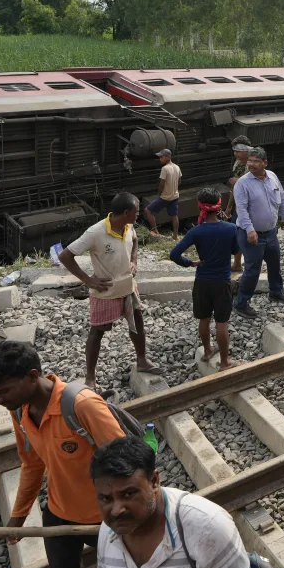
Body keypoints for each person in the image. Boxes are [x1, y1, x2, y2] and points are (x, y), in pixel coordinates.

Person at [0, 341, 126, 568]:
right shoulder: (20, 410)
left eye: (3, 391)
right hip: (59, 514)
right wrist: (18, 516)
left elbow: (127, 461)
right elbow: (33, 464)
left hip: (104, 519)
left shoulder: (82, 405)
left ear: (33, 376)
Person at [91, 437, 269, 568]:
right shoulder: (109, 530)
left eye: (128, 494)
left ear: (154, 481)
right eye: (106, 499)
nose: (116, 510)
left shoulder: (205, 526)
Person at [60, 192, 158, 388]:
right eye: (136, 212)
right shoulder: (95, 233)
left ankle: (141, 359)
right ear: (125, 212)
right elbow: (65, 256)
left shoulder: (129, 227)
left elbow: (135, 241)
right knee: (98, 330)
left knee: (137, 320)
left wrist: (133, 261)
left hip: (128, 286)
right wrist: (88, 280)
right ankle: (90, 376)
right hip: (106, 290)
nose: (138, 215)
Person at [170, 189, 239, 370]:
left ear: (200, 206)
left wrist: (190, 263)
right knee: (222, 322)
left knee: (204, 319)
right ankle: (225, 362)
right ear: (219, 205)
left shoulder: (196, 231)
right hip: (222, 281)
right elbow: (235, 250)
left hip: (202, 281)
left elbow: (174, 254)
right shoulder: (230, 228)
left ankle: (208, 350)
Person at [232, 147, 284, 319]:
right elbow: (241, 209)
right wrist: (250, 230)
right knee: (252, 269)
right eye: (250, 161)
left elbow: (282, 197)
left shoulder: (272, 176)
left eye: (256, 161)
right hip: (250, 233)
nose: (251, 164)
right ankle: (241, 303)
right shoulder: (243, 183)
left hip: (270, 232)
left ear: (265, 163)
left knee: (274, 263)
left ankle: (276, 292)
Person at [225, 135, 252, 274]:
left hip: (252, 205)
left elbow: (255, 183)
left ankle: (250, 265)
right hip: (240, 205)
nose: (235, 154)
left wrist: (239, 181)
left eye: (238, 151)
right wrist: (229, 207)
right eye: (234, 151)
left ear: (246, 151)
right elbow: (234, 188)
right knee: (238, 233)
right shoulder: (238, 164)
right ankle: (237, 264)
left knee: (250, 234)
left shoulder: (254, 163)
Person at [142, 149, 181, 240]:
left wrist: (160, 194)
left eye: (161, 157)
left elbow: (161, 184)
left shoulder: (165, 168)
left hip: (165, 197)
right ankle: (175, 236)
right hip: (175, 196)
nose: (160, 159)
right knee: (174, 216)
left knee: (147, 210)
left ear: (168, 157)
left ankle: (155, 232)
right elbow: (179, 181)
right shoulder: (177, 167)